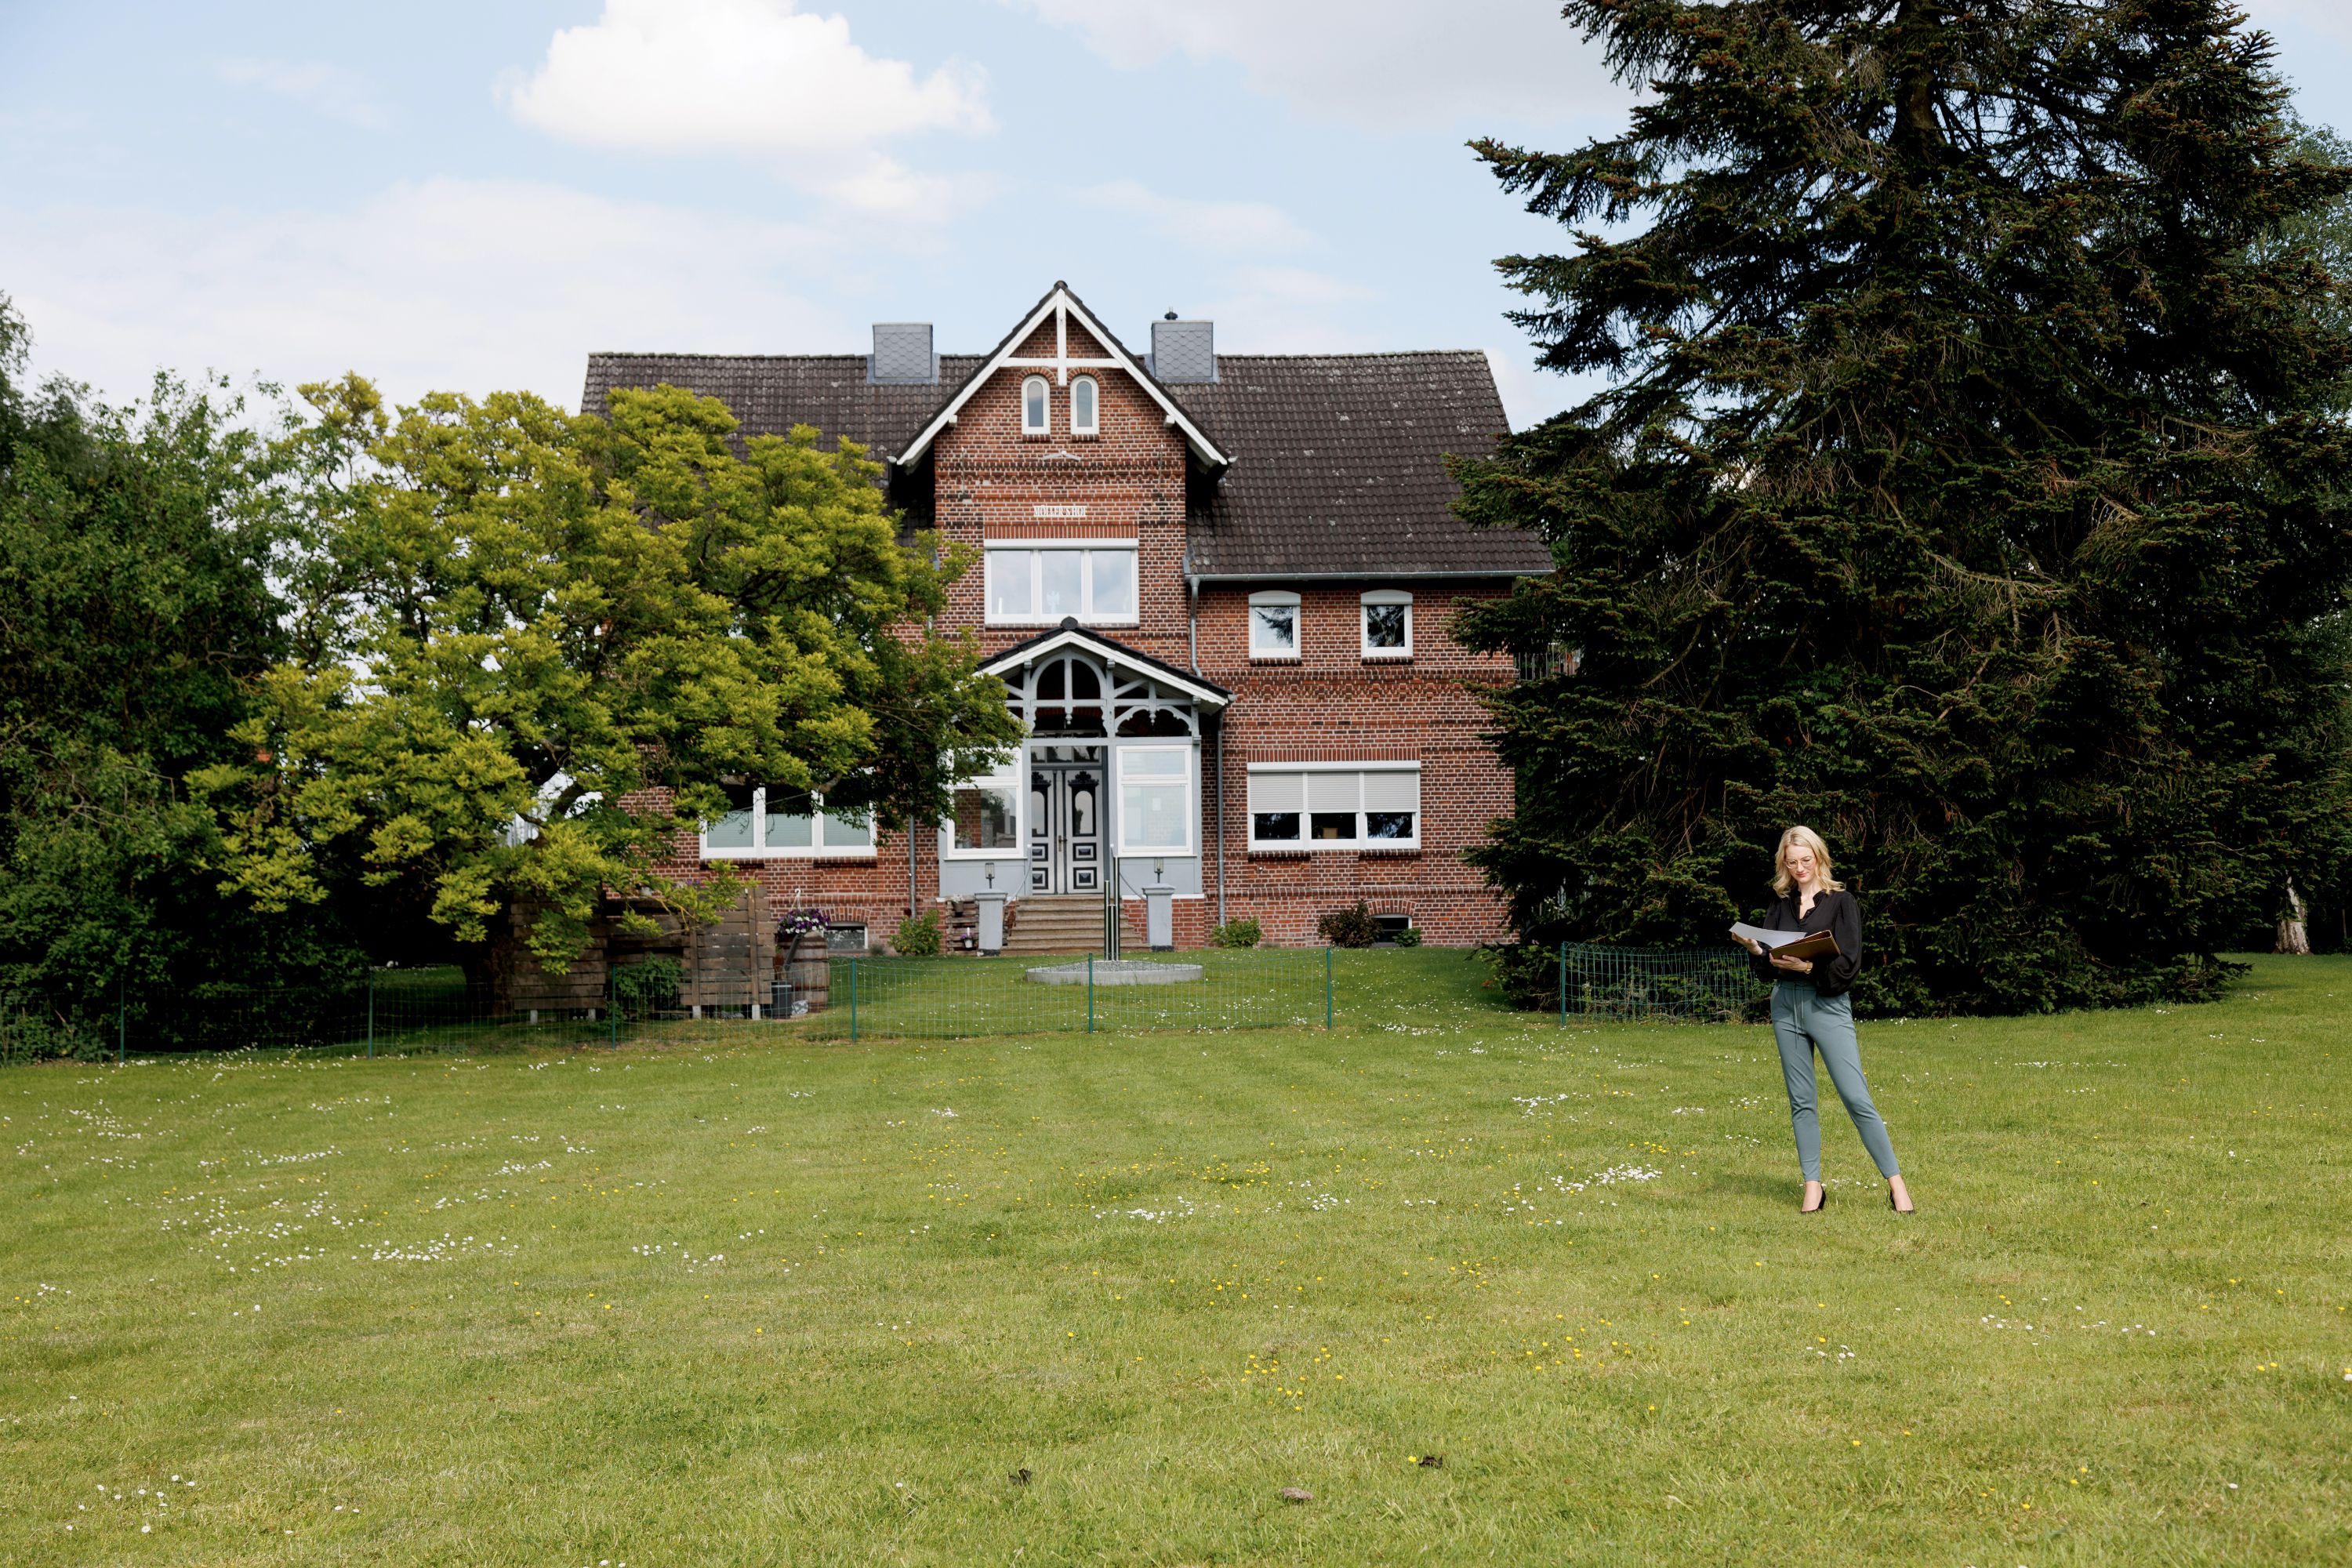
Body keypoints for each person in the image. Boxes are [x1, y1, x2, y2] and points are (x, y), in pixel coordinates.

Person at [1730, 826, 1915, 1214]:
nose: (1799, 868)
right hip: (1785, 1007)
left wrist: (1809, 965)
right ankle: (1812, 1186)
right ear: (1784, 863)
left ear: (1819, 857)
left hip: (1826, 1004)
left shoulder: (1842, 902)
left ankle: (1897, 1184)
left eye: (1806, 860)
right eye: (1792, 861)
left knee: (1855, 1095)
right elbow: (1769, 967)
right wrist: (1755, 950)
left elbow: (1848, 966)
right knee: (1801, 1101)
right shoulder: (1779, 903)